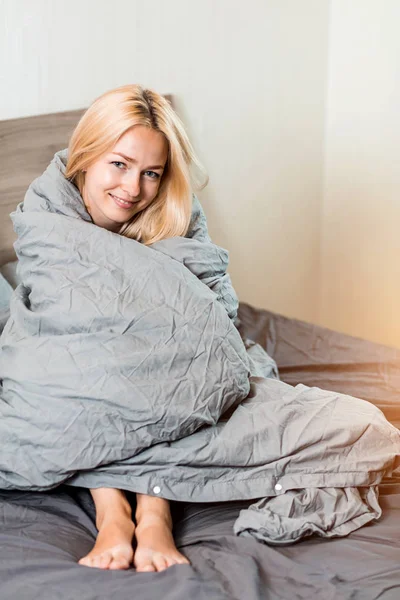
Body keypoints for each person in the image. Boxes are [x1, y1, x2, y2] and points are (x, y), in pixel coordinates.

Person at [63, 83, 208, 572]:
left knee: (176, 372)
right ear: (85, 156)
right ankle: (112, 513)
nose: (132, 189)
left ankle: (154, 512)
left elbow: (207, 311)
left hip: (161, 357)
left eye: (151, 173)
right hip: (80, 360)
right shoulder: (50, 223)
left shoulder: (171, 216)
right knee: (79, 368)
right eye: (119, 164)